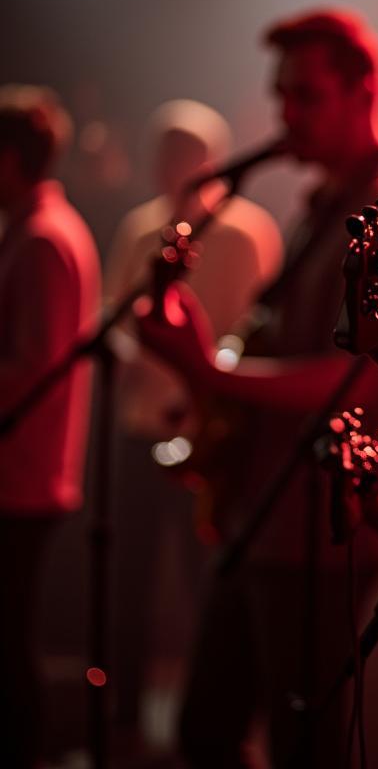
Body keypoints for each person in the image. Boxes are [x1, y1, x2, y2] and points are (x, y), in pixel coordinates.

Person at [136, 10, 378, 768]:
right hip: (266, 516)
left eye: (306, 96)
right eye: (280, 96)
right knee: (206, 730)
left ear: (363, 92)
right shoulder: (324, 202)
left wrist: (209, 372)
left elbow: (362, 381)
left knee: (301, 746)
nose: (286, 115)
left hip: (325, 530)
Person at [104, 99, 283, 744]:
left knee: (207, 580)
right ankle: (124, 717)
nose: (172, 166)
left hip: (212, 437)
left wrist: (203, 384)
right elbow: (114, 318)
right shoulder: (138, 227)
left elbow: (261, 330)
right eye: (164, 152)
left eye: (185, 153)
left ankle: (219, 723)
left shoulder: (247, 231)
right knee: (129, 572)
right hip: (140, 426)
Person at [0, 85, 101, 769]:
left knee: (8, 642)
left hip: (19, 473)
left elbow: (32, 367)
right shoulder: (40, 230)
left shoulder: (41, 238)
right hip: (25, 469)